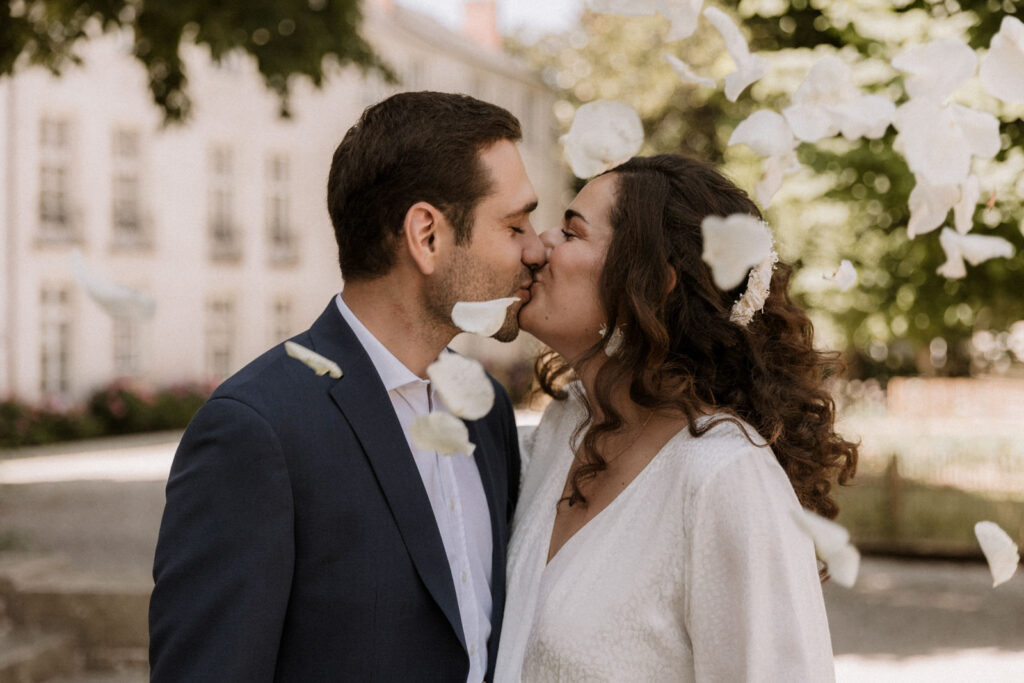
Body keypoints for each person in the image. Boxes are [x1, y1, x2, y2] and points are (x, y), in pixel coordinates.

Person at [149, 91, 545, 681]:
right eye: (515, 224)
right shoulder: (256, 431)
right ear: (427, 236)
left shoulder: (483, 411)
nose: (537, 248)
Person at [495, 154, 858, 682]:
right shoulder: (561, 430)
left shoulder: (724, 478)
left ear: (649, 285)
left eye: (572, 233)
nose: (540, 245)